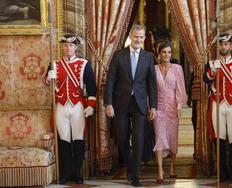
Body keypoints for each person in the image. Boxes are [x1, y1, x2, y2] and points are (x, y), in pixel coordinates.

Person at [104, 24, 157, 187]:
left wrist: (153, 106)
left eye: (141, 37)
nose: (139, 40)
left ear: (144, 39)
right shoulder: (119, 55)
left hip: (140, 104)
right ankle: (130, 167)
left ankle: (135, 175)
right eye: (136, 37)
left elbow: (152, 84)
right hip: (121, 104)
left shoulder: (148, 57)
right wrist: (108, 103)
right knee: (122, 138)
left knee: (139, 139)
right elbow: (110, 81)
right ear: (131, 37)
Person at [43, 33, 97, 184]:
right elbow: (46, 84)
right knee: (64, 140)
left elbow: (92, 87)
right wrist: (49, 77)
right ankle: (66, 173)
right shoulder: (54, 64)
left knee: (78, 138)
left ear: (76, 47)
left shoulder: (84, 64)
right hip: (61, 105)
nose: (68, 48)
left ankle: (77, 172)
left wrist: (91, 106)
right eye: (65, 45)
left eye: (71, 45)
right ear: (63, 47)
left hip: (78, 105)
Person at [203, 33, 232, 182]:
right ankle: (222, 173)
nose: (224, 47)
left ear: (231, 46)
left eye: (227, 44)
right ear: (219, 46)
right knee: (219, 139)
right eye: (221, 44)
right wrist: (213, 71)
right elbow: (205, 79)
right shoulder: (211, 64)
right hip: (217, 105)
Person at [153, 40, 187, 183]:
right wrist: (151, 107)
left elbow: (181, 89)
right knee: (159, 137)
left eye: (169, 52)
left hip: (173, 108)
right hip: (159, 108)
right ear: (159, 54)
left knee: (173, 138)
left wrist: (179, 106)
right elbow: (151, 90)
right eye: (164, 52)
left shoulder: (177, 68)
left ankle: (172, 167)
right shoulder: (153, 69)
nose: (166, 55)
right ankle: (160, 171)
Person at [187, 70, 197, 159]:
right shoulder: (197, 69)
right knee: (196, 124)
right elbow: (190, 84)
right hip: (196, 101)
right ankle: (197, 151)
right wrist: (189, 98)